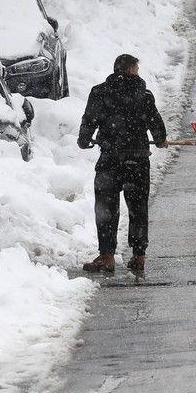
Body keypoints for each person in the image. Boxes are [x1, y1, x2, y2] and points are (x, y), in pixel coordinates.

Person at [77, 54, 168, 274]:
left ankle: (107, 256)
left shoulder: (100, 93)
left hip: (110, 159)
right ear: (130, 70)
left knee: (106, 209)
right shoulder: (144, 95)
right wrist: (160, 137)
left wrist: (84, 138)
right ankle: (139, 256)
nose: (137, 71)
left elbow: (89, 119)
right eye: (136, 68)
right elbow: (154, 121)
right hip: (137, 159)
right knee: (138, 209)